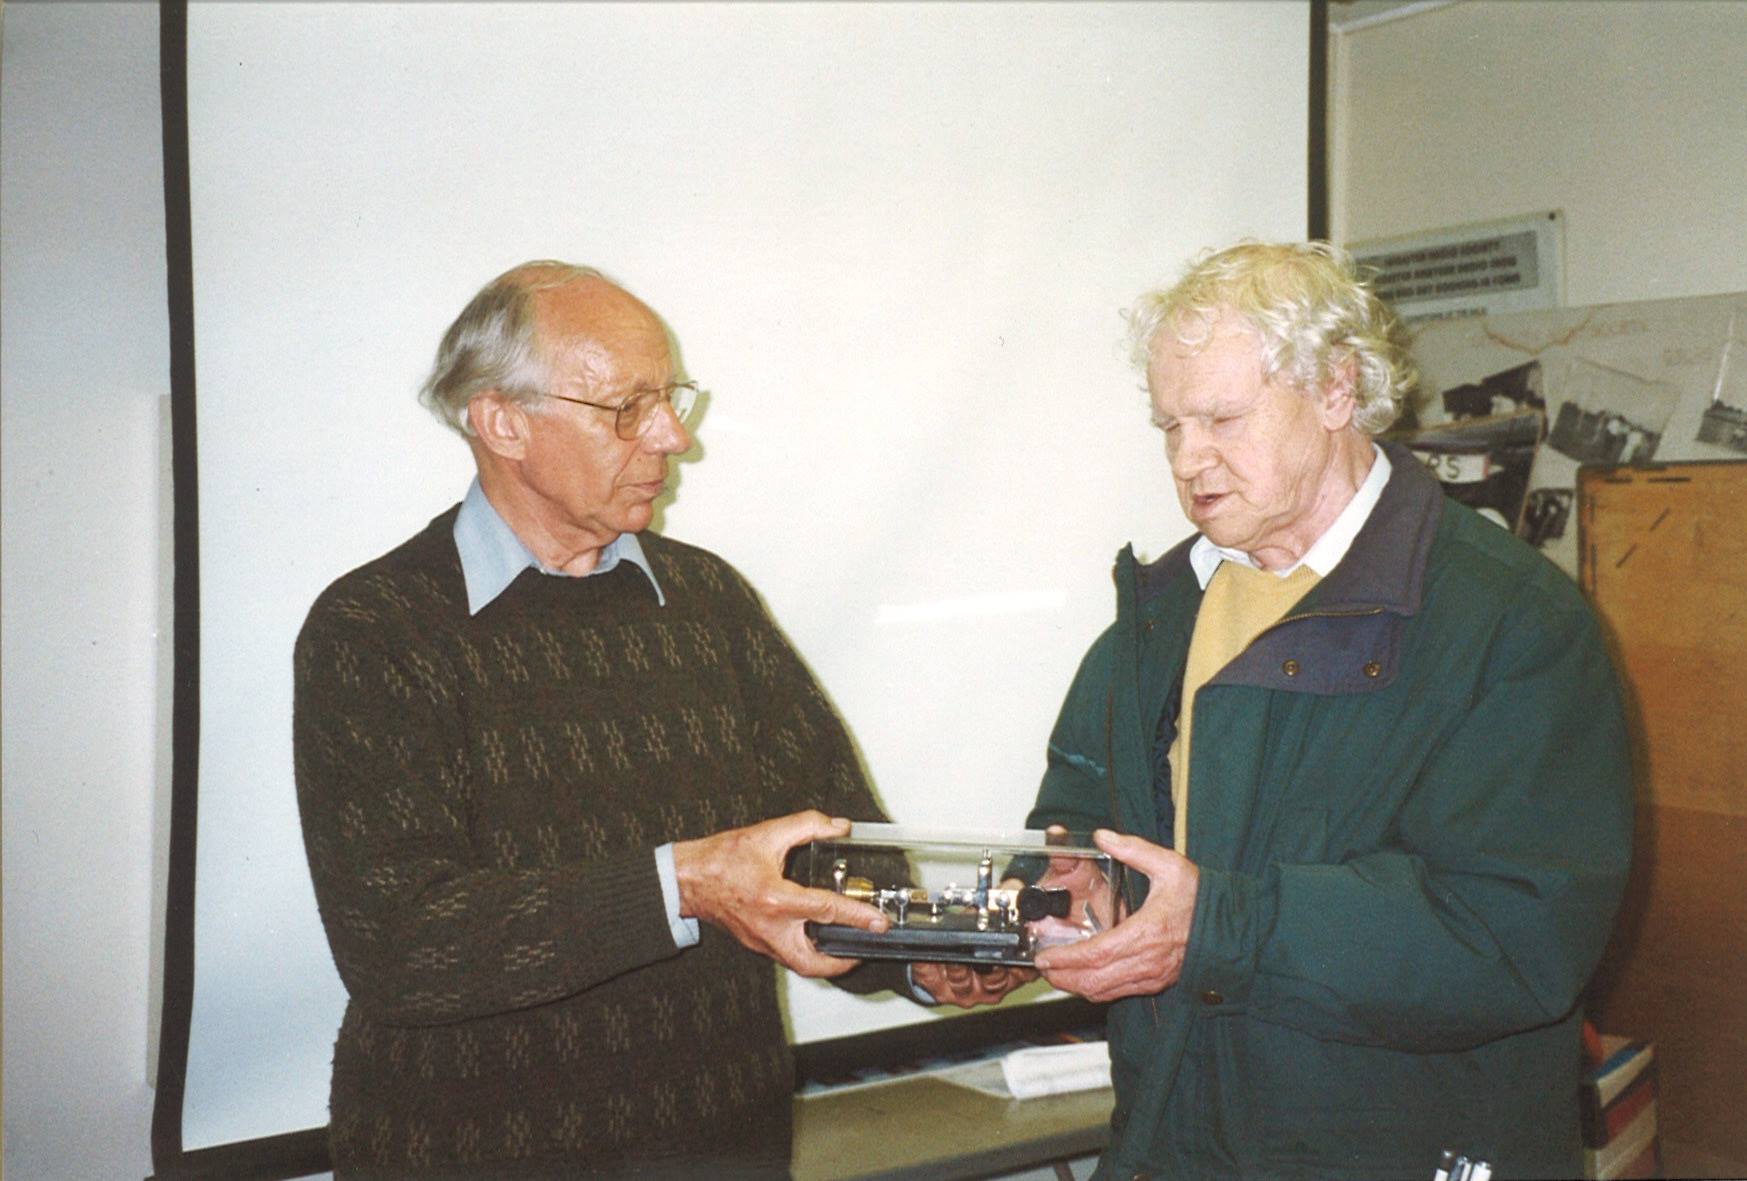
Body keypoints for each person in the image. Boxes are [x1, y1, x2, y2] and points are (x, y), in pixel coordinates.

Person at [292, 261, 982, 1179]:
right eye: (626, 408)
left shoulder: (708, 600)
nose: (672, 438)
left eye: (668, 400)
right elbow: (401, 942)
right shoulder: (376, 628)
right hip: (475, 1155)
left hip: (720, 1143)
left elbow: (828, 835)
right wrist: (680, 885)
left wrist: (918, 955)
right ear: (501, 422)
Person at [1020, 241, 1633, 1179]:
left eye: (1222, 417)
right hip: (1173, 1145)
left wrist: (1222, 925)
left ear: (1336, 389)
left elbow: (1514, 936)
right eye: (1168, 425)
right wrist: (1070, 885)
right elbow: (1082, 812)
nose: (1187, 458)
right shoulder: (1157, 617)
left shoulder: (1510, 621)